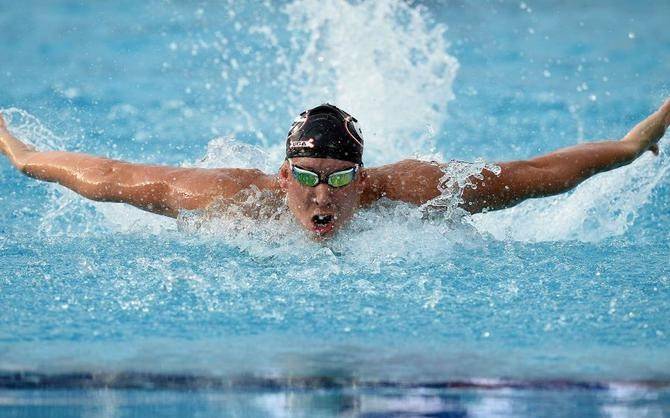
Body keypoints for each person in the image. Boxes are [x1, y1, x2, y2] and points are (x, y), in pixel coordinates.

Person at [1, 101, 668, 237]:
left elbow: (537, 173)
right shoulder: (227, 198)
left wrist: (633, 144)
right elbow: (109, 175)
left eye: (341, 177)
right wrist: (19, 152)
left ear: (363, 177)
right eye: (308, 176)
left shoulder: (414, 191)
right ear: (281, 177)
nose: (324, 195)